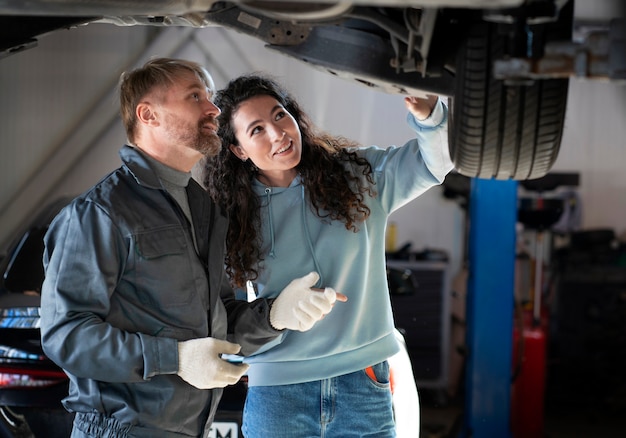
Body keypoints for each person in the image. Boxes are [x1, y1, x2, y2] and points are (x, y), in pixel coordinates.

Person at [39, 58, 343, 438]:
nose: (213, 108)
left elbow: (219, 321)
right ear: (148, 114)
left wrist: (276, 316)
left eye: (209, 96)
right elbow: (66, 335)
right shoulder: (99, 212)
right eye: (195, 96)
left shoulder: (202, 209)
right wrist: (176, 359)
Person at [202, 74, 454, 437]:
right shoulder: (230, 215)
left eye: (279, 115)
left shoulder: (356, 177)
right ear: (238, 150)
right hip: (277, 392)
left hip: (363, 383)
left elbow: (434, 164)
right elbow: (223, 311)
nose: (278, 134)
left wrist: (429, 115)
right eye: (256, 130)